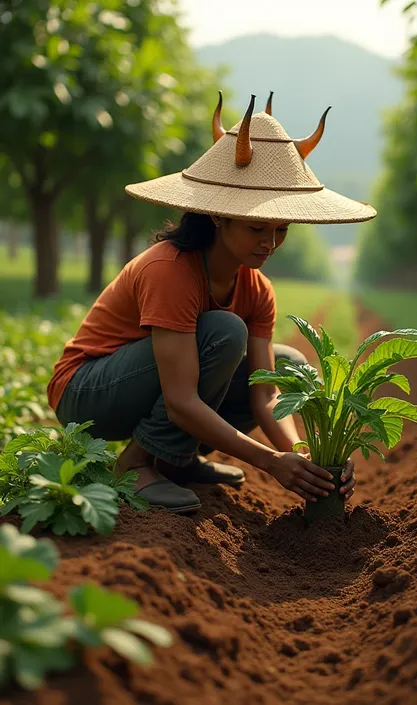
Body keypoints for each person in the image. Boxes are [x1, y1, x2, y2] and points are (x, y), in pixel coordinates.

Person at [47, 92, 376, 514]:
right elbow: (181, 399)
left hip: (150, 387)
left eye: (281, 230)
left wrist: (307, 457)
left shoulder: (256, 288)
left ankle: (174, 460)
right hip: (88, 392)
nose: (270, 243)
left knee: (287, 362)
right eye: (257, 227)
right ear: (218, 216)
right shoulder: (171, 270)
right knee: (224, 332)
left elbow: (266, 397)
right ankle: (133, 465)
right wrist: (269, 462)